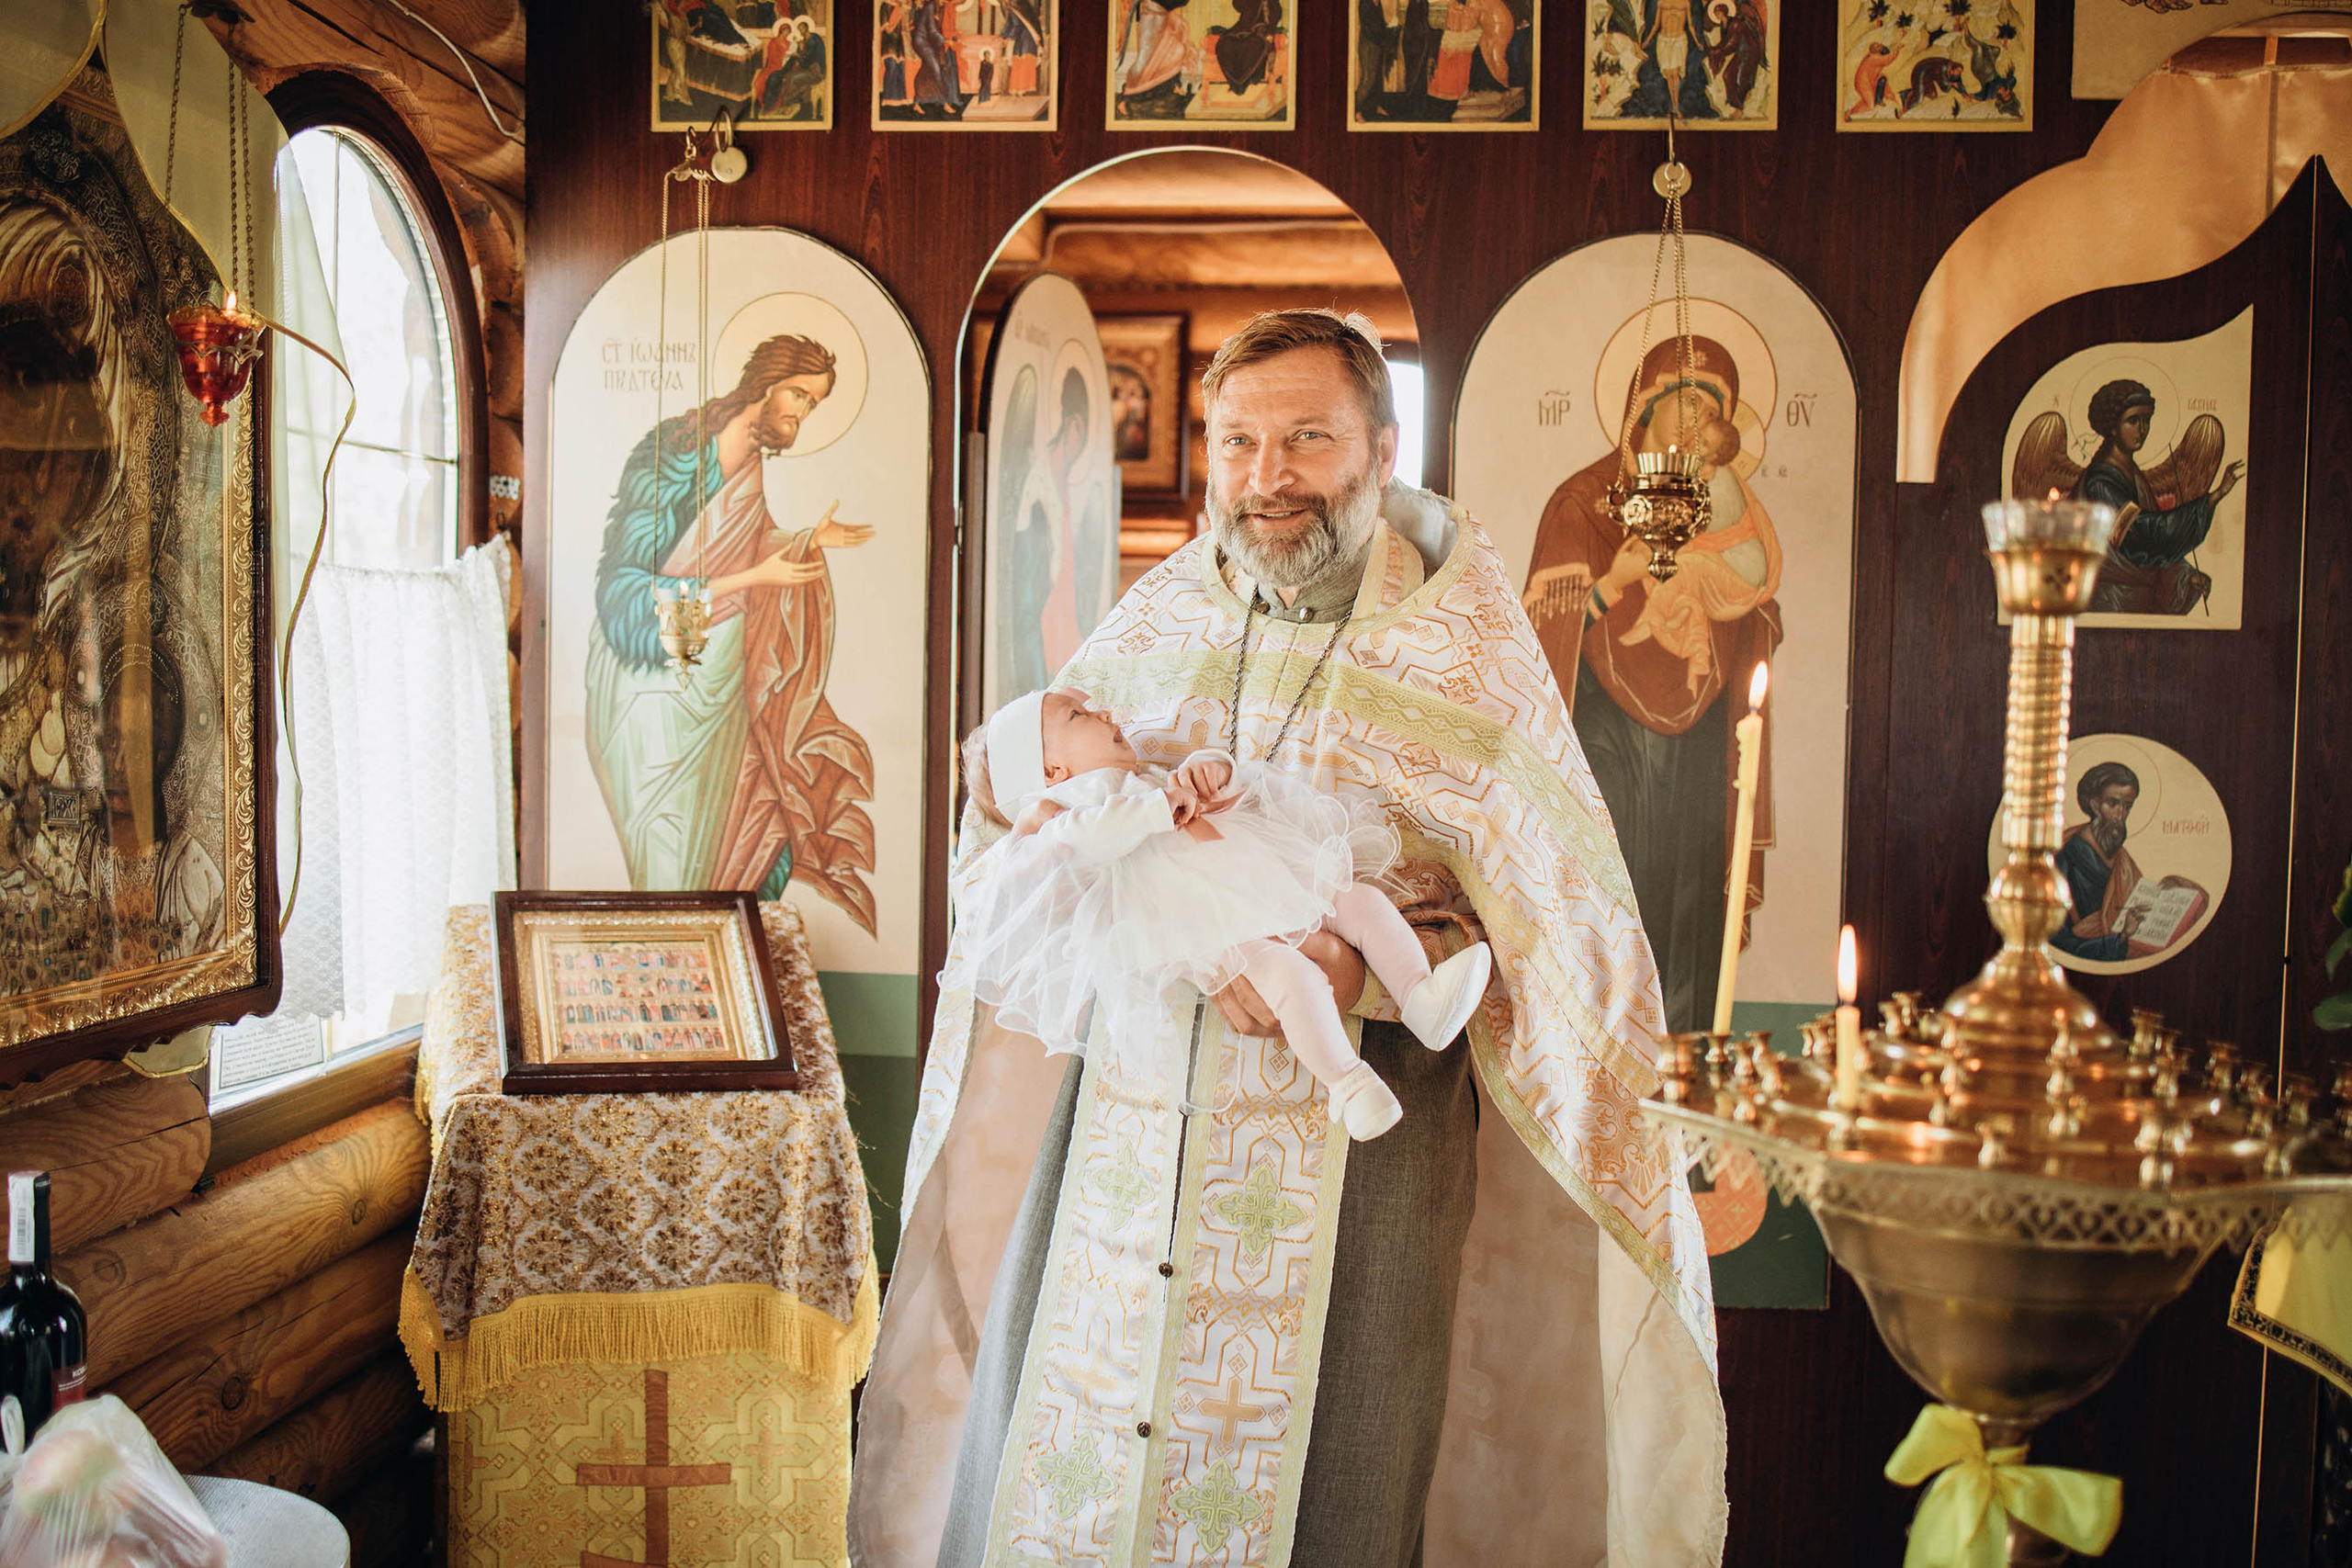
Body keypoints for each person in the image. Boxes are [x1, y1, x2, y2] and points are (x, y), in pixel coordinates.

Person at [851, 310, 1724, 1568]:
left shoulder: (1468, 657)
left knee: (1329, 1492)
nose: (1268, 475)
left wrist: (1360, 965)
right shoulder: (1152, 627)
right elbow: (1019, 836)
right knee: (1065, 1463)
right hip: (1122, 1143)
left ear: (1379, 445)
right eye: (1241, 440)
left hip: (1352, 1165)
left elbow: (1554, 925)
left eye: (1307, 438)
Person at [961, 685, 1495, 1139]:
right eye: (1077, 717)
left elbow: (1222, 803)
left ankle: (1420, 996)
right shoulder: (1068, 815)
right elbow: (1090, 838)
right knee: (1294, 978)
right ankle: (1350, 1083)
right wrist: (1155, 807)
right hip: (1218, 929)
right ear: (1053, 770)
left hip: (1266, 877)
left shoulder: (1138, 780)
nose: (1106, 713)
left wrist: (1208, 772)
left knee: (1362, 901)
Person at [1521, 334, 1781, 1032]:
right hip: (1605, 734)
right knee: (1621, 885)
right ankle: (1604, 1048)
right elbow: (1539, 639)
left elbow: (1753, 599)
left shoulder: (1728, 509)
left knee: (1691, 896)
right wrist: (1614, 584)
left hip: (1700, 740)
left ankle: (1685, 1067)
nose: (1696, 423)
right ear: (1645, 406)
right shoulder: (1582, 503)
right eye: (1685, 401)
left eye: (1713, 410)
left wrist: (1751, 613)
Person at [586, 332, 881, 932]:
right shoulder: (671, 453)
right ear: (765, 385)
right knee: (675, 855)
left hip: (714, 679)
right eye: (798, 394)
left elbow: (729, 556)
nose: (801, 412)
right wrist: (761, 573)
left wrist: (803, 543)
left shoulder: (748, 463)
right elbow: (628, 594)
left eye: (814, 403)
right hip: (650, 683)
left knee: (765, 829)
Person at [2073, 378, 2242, 616]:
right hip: (2110, 603)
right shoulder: (2100, 482)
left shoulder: (2134, 476)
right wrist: (2212, 498)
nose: (2142, 429)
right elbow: (2141, 535)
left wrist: (2186, 576)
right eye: (2133, 421)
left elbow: (2150, 548)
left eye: (2146, 420)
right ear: (2113, 426)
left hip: (2138, 602)